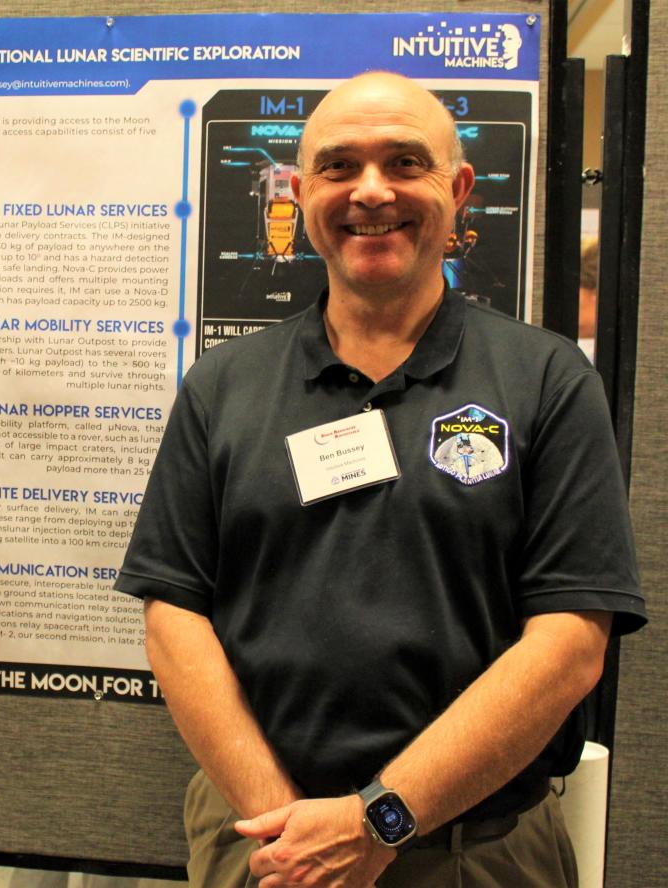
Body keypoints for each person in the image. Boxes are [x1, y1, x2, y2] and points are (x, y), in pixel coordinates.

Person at [114, 72, 645, 887]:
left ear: (458, 189)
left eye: (404, 163)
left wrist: (377, 821)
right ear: (299, 191)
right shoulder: (224, 386)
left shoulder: (545, 382)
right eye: (339, 167)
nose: (371, 191)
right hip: (266, 847)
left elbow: (570, 645)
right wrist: (295, 841)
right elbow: (173, 616)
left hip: (478, 856)